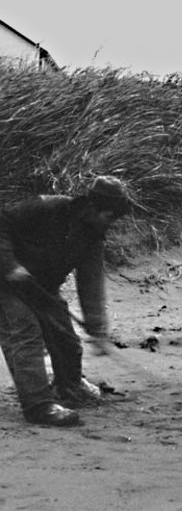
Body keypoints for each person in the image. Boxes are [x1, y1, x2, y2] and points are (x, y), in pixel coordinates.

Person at [0, 176, 132, 427]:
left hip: (42, 288)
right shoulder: (47, 207)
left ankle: (69, 387)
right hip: (5, 282)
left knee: (66, 339)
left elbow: (90, 285)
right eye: (109, 216)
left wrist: (97, 328)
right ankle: (38, 407)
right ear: (92, 207)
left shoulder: (92, 238)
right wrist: (9, 264)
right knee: (24, 333)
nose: (111, 223)